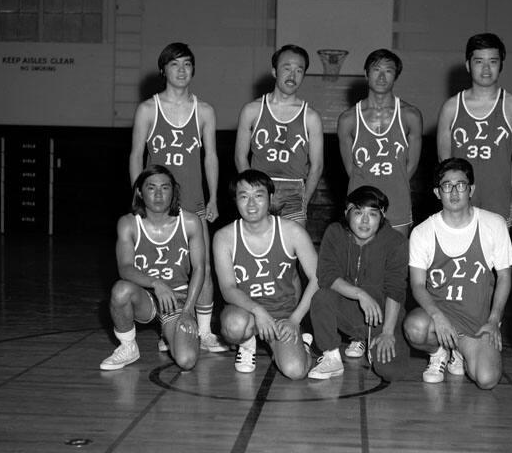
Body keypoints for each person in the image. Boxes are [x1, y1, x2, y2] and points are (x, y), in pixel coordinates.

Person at [128, 42, 227, 353]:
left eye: (186, 64)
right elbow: (135, 155)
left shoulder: (205, 110)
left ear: (193, 69)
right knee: (161, 270)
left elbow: (211, 156)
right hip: (157, 206)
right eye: (174, 64)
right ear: (163, 70)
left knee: (203, 268)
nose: (181, 70)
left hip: (193, 201)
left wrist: (212, 198)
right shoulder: (147, 109)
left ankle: (205, 331)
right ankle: (168, 326)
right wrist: (139, 198)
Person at [404, 158, 512, 389]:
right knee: (415, 328)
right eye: (447, 186)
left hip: (477, 323)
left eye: (461, 185)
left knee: (486, 380)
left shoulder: (493, 224)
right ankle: (439, 353)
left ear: (471, 189)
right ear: (437, 192)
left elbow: (505, 277)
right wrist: (437, 316)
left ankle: (459, 352)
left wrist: (494, 320)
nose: (454, 192)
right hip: (441, 318)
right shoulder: (422, 232)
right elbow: (417, 285)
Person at [212, 170, 319, 379]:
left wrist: (295, 320)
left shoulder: (292, 231)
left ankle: (301, 344)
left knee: (295, 371)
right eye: (244, 196)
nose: (251, 204)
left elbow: (317, 278)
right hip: (246, 311)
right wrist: (258, 311)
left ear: (270, 198)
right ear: (235, 201)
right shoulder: (224, 237)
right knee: (233, 326)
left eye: (258, 196)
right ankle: (247, 344)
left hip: (283, 314)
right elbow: (227, 289)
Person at [101, 166, 204, 371]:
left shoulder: (190, 221)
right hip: (145, 298)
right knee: (121, 290)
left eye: (165, 188)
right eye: (151, 188)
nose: (158, 194)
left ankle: (171, 333)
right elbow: (125, 268)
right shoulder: (128, 223)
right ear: (139, 191)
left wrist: (188, 310)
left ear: (173, 191)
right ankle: (128, 346)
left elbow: (200, 268)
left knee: (186, 360)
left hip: (177, 300)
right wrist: (156, 284)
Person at [307, 186, 410, 381]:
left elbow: (396, 290)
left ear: (383, 215)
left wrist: (387, 332)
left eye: (372, 214)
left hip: (382, 315)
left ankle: (365, 339)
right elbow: (327, 276)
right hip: (348, 310)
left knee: (391, 372)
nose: (364, 221)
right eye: (358, 212)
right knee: (322, 297)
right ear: (347, 213)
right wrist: (360, 294)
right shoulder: (335, 233)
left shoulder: (396, 242)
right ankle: (331, 356)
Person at [436, 33, 512, 226]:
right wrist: (456, 192)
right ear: (468, 65)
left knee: (495, 255)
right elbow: (444, 160)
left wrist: (504, 189)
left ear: (501, 65)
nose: (486, 69)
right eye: (479, 62)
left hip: (498, 200)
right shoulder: (451, 107)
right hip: (459, 198)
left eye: (493, 62)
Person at [235, 44, 324, 226]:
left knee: (292, 252)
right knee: (256, 250)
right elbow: (240, 157)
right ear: (275, 71)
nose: (292, 76)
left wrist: (303, 202)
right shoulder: (252, 110)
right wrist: (252, 191)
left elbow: (317, 166)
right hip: (260, 188)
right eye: (287, 68)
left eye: (299, 70)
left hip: (294, 191)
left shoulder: (311, 117)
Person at [337, 48, 423, 236]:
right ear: (366, 74)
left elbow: (412, 164)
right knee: (361, 260)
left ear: (396, 76)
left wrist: (393, 183)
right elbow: (351, 169)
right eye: (377, 70)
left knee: (396, 259)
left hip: (397, 200)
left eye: (389, 71)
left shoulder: (410, 115)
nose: (382, 76)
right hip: (361, 201)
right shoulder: (348, 119)